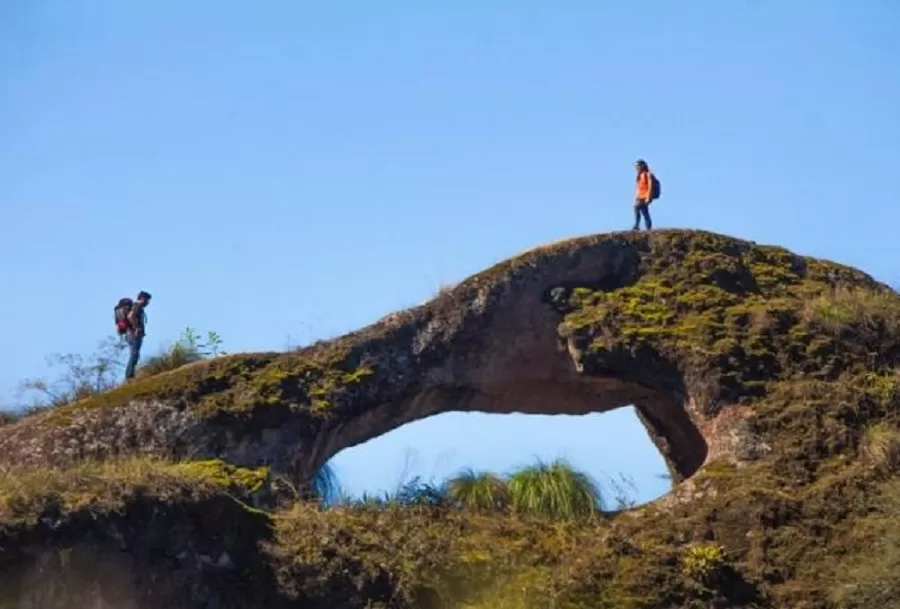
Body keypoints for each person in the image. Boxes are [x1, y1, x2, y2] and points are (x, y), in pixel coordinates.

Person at [122, 290, 151, 380]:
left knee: (134, 354)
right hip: (134, 334)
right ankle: (129, 375)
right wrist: (137, 328)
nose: (148, 302)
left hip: (130, 334)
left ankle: (130, 374)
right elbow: (130, 316)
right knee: (134, 354)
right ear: (142, 298)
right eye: (147, 300)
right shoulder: (137, 306)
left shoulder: (135, 306)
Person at [632, 158, 654, 231]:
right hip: (640, 196)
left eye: (638, 166)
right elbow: (638, 188)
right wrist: (636, 197)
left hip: (645, 196)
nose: (636, 168)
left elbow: (650, 186)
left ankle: (636, 225)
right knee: (644, 211)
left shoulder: (647, 174)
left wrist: (648, 197)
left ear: (642, 166)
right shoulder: (639, 176)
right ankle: (648, 226)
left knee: (637, 207)